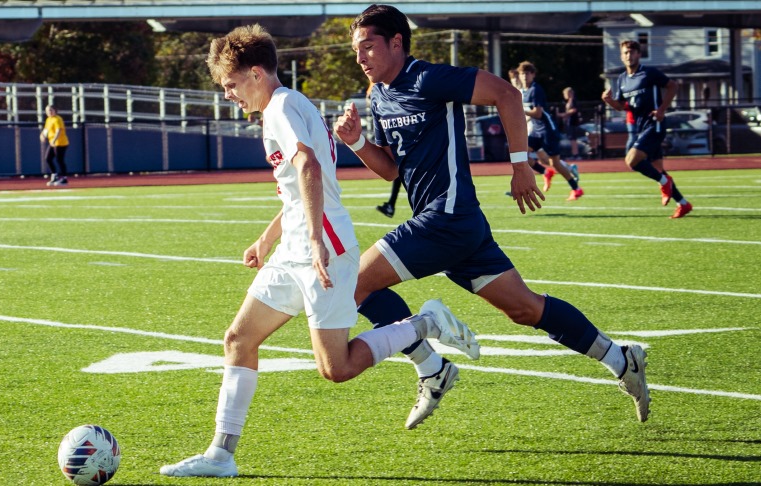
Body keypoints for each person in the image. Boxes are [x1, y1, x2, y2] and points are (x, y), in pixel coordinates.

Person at [159, 23, 479, 478]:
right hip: (296, 247)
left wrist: (313, 241)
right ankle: (221, 455)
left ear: (255, 73)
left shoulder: (282, 107)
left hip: (320, 247)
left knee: (337, 368)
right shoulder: (282, 107)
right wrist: (268, 239)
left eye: (230, 85)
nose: (229, 95)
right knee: (239, 338)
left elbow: (308, 166)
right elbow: (299, 185)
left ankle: (424, 323)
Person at [334, 4, 650, 430]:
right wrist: (357, 143)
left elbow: (506, 93)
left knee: (353, 281)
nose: (360, 57)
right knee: (525, 309)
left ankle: (431, 367)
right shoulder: (379, 95)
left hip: (445, 218)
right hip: (456, 225)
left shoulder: (429, 77)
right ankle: (620, 357)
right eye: (357, 50)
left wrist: (521, 165)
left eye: (367, 47)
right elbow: (392, 168)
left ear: (396, 43)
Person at [602, 40, 692, 219]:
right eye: (626, 53)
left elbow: (672, 86)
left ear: (638, 54)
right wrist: (609, 101)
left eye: (632, 52)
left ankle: (664, 182)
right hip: (640, 127)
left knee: (631, 160)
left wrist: (661, 110)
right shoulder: (622, 79)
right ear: (621, 56)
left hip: (654, 124)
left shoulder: (649, 73)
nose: (629, 55)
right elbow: (622, 106)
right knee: (658, 168)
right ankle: (683, 204)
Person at [517, 61, 583, 200]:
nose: (524, 76)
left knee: (556, 163)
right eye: (522, 73)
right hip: (536, 131)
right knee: (520, 155)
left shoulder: (535, 89)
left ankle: (576, 189)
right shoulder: (523, 91)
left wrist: (521, 111)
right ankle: (545, 172)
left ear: (533, 74)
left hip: (547, 130)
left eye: (527, 73)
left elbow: (538, 113)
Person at [40, 105, 69, 187]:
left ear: (55, 110)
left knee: (60, 160)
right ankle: (54, 176)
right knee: (48, 158)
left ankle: (64, 179)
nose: (49, 112)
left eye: (50, 110)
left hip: (61, 143)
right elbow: (46, 129)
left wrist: (54, 139)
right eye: (47, 111)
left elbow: (59, 130)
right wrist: (42, 135)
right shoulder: (49, 119)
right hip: (53, 143)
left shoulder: (57, 119)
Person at [558, 87, 582, 161]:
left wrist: (563, 115)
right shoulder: (569, 101)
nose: (564, 95)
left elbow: (574, 110)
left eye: (565, 93)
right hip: (569, 123)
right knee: (572, 139)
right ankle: (574, 154)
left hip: (573, 122)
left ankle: (576, 155)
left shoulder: (573, 101)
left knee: (573, 139)